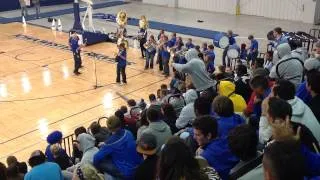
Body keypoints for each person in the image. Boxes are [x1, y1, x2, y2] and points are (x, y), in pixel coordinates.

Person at [193, 116, 239, 180]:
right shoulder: (229, 140)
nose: (194, 137)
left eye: (197, 135)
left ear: (209, 135)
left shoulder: (204, 157)